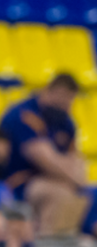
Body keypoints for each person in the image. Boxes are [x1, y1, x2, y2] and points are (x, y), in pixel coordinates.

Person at [0, 74, 88, 236]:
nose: (64, 105)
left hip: (53, 181)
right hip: (18, 183)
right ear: (48, 91)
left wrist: (78, 180)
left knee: (79, 194)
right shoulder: (24, 114)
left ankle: (62, 246)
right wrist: (77, 180)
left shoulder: (65, 121)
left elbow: (76, 159)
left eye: (68, 101)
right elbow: (44, 159)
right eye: (60, 99)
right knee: (57, 192)